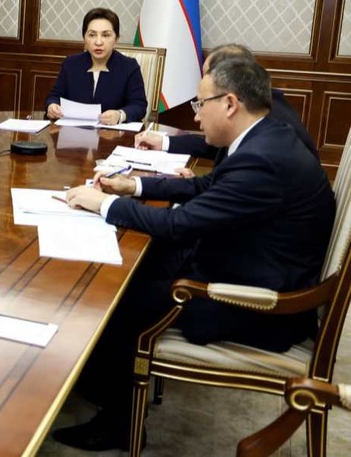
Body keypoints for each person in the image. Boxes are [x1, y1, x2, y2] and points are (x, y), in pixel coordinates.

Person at [53, 56, 335, 451]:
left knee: (120, 297)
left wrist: (104, 204)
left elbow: (178, 224)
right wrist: (133, 187)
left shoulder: (263, 159)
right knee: (138, 265)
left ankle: (119, 422)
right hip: (250, 262)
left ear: (230, 104)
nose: (197, 117)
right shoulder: (266, 137)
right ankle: (100, 378)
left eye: (201, 105)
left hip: (258, 304)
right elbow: (205, 189)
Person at [134, 43, 318, 160]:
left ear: (229, 76)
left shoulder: (267, 127)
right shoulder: (262, 102)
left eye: (208, 76)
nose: (204, 81)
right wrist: (164, 142)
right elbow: (218, 147)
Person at [45, 8, 147, 125]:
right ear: (84, 38)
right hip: (74, 132)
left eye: (106, 35)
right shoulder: (71, 64)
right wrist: (52, 106)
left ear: (116, 39)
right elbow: (54, 96)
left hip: (112, 133)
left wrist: (120, 115)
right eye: (92, 35)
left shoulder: (129, 67)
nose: (98, 42)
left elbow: (139, 105)